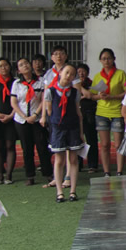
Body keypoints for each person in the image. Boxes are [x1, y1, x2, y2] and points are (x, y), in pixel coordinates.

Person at [41, 64, 84, 203]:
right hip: (58, 128)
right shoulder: (51, 91)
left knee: (73, 159)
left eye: (72, 74)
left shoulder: (75, 92)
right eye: (67, 72)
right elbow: (49, 111)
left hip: (73, 127)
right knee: (59, 160)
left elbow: (78, 112)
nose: (69, 76)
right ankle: (59, 192)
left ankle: (73, 191)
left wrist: (81, 132)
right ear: (60, 73)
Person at [90, 48, 126, 177]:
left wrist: (113, 97)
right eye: (104, 59)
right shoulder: (97, 76)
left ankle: (119, 171)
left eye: (109, 58)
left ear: (114, 59)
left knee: (118, 144)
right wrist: (99, 96)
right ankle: (106, 171)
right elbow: (92, 95)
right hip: (102, 112)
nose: (106, 61)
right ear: (100, 61)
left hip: (117, 111)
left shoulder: (120, 74)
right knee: (105, 144)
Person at [10, 58, 47, 186]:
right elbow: (14, 103)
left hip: (37, 119)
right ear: (18, 70)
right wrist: (24, 117)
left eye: (26, 63)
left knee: (42, 146)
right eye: (21, 65)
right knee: (27, 148)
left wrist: (35, 114)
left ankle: (48, 173)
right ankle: (30, 175)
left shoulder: (41, 81)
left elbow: (43, 100)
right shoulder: (16, 84)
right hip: (21, 120)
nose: (25, 66)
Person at [77, 64, 99, 173]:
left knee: (91, 139)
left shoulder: (92, 83)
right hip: (76, 115)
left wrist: (82, 90)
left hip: (89, 114)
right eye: (79, 71)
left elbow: (92, 95)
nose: (81, 73)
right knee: (77, 140)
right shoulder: (72, 84)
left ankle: (92, 165)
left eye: (83, 71)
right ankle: (78, 164)